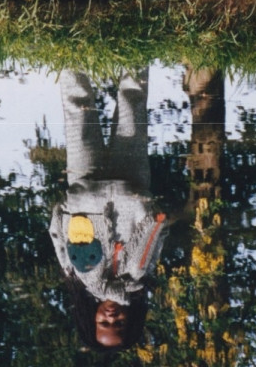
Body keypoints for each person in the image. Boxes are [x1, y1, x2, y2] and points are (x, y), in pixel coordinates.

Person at [49, 68, 168, 351]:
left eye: (104, 324)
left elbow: (57, 236)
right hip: (131, 180)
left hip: (85, 184)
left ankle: (69, 49)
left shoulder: (77, 277)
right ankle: (136, 42)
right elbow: (157, 232)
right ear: (132, 318)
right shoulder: (140, 278)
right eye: (119, 324)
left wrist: (67, 206)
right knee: (132, 105)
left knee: (78, 113)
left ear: (92, 318)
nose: (111, 318)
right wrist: (143, 204)